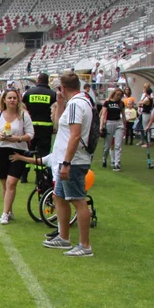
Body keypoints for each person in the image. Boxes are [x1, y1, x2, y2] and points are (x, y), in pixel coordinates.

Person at [44, 70, 94, 257]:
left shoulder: (76, 105)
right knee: (61, 197)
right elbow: (60, 126)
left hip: (72, 161)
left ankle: (85, 245)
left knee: (78, 201)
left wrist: (66, 162)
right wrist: (60, 102)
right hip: (67, 159)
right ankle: (64, 237)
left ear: (63, 87)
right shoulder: (78, 102)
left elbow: (75, 135)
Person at [0, 88, 33, 224]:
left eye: (14, 98)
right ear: (4, 100)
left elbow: (30, 134)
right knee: (5, 184)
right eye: (9, 98)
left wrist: (17, 138)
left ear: (18, 100)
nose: (12, 100)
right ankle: (9, 210)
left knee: (11, 183)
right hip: (2, 150)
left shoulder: (24, 115)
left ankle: (4, 214)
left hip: (18, 152)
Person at [100, 88, 125, 172]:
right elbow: (103, 114)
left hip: (119, 122)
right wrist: (101, 125)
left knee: (118, 145)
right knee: (107, 144)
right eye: (117, 94)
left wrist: (125, 126)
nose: (118, 96)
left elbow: (123, 115)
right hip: (109, 122)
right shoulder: (107, 102)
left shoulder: (121, 104)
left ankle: (117, 163)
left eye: (120, 95)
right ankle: (104, 158)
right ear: (114, 94)